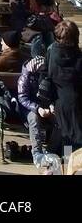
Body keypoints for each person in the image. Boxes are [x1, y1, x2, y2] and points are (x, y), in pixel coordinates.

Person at [40, 20, 82, 152]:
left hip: (58, 102)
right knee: (76, 138)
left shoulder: (51, 51)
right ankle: (72, 166)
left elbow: (45, 75)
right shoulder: (79, 57)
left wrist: (48, 102)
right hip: (77, 103)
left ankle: (67, 164)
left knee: (66, 137)